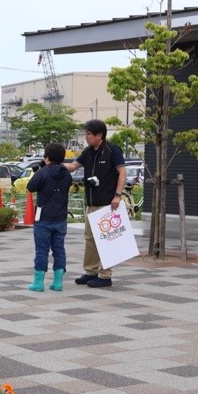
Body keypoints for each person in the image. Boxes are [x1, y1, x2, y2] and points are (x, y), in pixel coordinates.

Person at [64, 120, 126, 288]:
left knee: (105, 239)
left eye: (89, 134)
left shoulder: (112, 150)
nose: (86, 137)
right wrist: (55, 165)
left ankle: (105, 275)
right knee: (90, 238)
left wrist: (117, 196)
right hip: (91, 203)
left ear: (99, 135)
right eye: (86, 134)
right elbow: (73, 166)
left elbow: (122, 173)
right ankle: (90, 271)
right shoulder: (88, 151)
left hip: (107, 203)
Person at [26, 143, 72, 292]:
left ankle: (38, 283)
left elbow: (30, 187)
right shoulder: (66, 173)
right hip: (60, 218)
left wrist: (38, 171)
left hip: (44, 219)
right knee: (59, 249)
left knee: (42, 251)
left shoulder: (43, 172)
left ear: (47, 157)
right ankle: (58, 283)